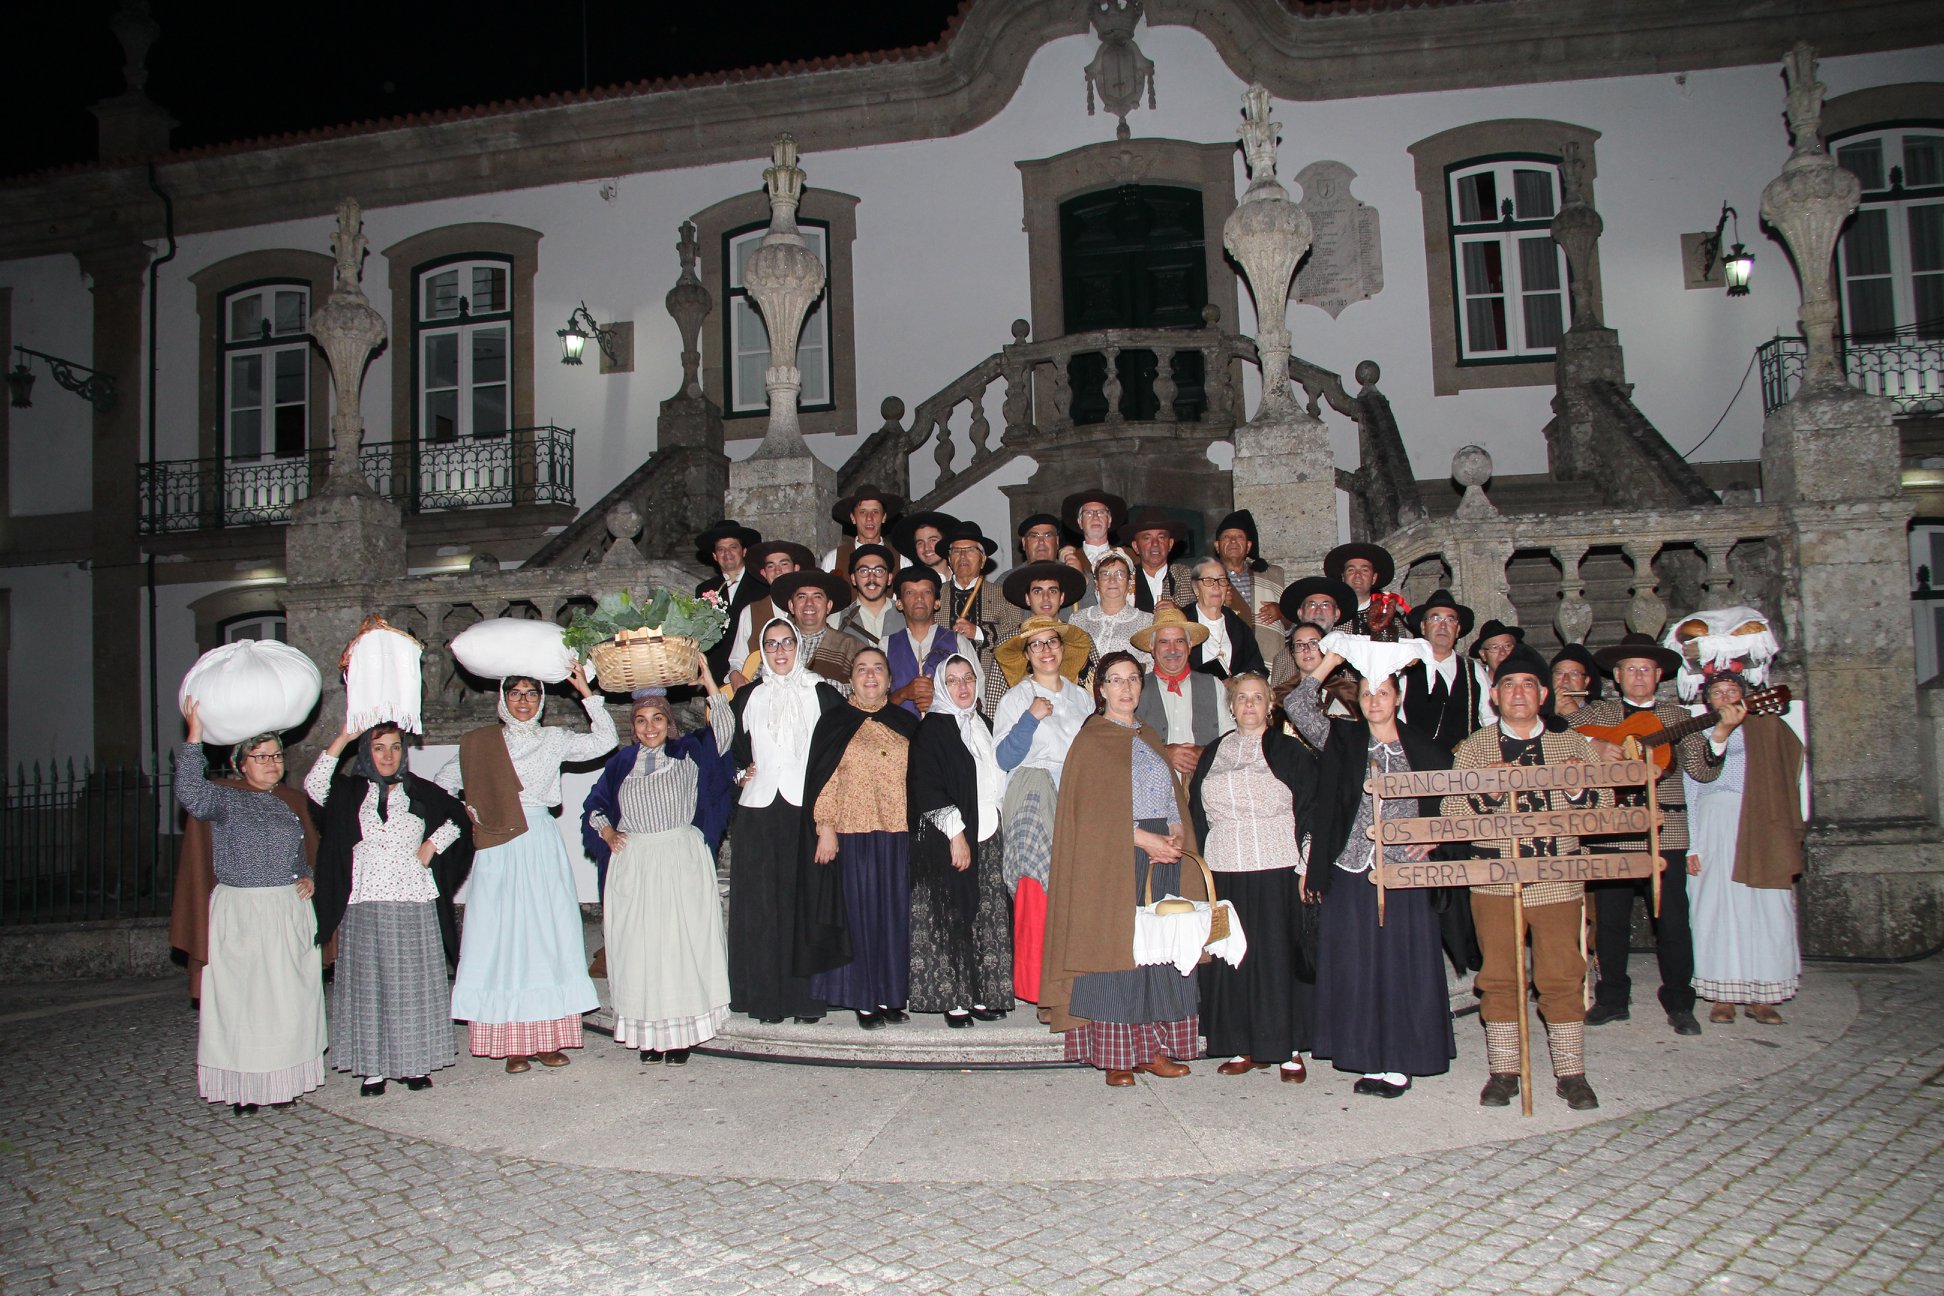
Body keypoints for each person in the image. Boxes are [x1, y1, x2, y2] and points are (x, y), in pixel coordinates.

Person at [1447, 645, 1606, 1110]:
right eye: (1509, 685)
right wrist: (1488, 795)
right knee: (1499, 974)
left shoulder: (1572, 745)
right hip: (1496, 879)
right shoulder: (1474, 748)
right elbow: (1454, 814)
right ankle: (1504, 1070)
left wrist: (1577, 789)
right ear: (1494, 695)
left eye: (1529, 685)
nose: (1519, 693)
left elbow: (1604, 810)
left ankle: (1571, 1072)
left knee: (1561, 971)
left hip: (1557, 876)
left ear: (1544, 695)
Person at [1288, 652, 1455, 1098]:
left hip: (1404, 874)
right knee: (1357, 965)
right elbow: (1298, 705)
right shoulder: (1343, 740)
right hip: (1350, 868)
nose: (1374, 700)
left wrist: (1435, 835)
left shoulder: (1425, 750)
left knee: (1402, 966)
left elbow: (1454, 806)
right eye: (1366, 693)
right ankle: (1365, 1052)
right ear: (1357, 700)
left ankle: (1401, 1060)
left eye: (1382, 692)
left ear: (1397, 697)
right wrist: (1333, 660)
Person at [1040, 651, 1206, 1087]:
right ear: (1101, 688)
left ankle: (1152, 1050)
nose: (1126, 688)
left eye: (1133, 679)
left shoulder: (1149, 735)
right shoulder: (1092, 739)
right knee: (1117, 952)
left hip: (1159, 853)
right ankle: (1117, 1055)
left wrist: (1173, 835)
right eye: (1116, 680)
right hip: (1112, 857)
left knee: (1156, 951)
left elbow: (1173, 800)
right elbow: (1089, 816)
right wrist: (1141, 837)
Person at [436, 667, 613, 1073]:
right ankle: (513, 1042)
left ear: (542, 701)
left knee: (546, 937)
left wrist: (586, 692)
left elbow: (603, 740)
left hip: (539, 843)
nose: (523, 700)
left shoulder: (553, 740)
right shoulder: (481, 744)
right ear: (503, 699)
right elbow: (443, 783)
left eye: (532, 694)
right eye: (515, 693)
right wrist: (468, 811)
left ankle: (548, 1037)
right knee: (505, 939)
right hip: (499, 846)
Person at [1569, 631, 1730, 1036]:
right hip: (1612, 829)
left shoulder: (1679, 719)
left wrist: (1721, 735)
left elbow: (1703, 771)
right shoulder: (1597, 716)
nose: (1638, 677)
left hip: (1666, 827)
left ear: (1658, 675)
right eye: (1630, 670)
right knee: (1611, 917)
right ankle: (1612, 997)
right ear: (1617, 676)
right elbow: (1558, 738)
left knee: (1673, 918)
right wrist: (1593, 746)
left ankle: (1679, 1000)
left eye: (1646, 669)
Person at [306, 720, 473, 1098]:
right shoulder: (349, 791)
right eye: (378, 747)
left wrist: (432, 845)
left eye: (395, 747)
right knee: (370, 987)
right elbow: (315, 787)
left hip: (412, 900)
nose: (388, 755)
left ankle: (413, 1063)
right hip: (364, 901)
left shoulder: (417, 790)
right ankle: (374, 1068)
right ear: (366, 751)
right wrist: (345, 737)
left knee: (413, 986)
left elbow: (460, 818)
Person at [581, 663, 736, 1065]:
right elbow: (594, 807)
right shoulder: (620, 764)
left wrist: (708, 680)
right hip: (635, 865)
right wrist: (608, 834)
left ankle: (681, 1033)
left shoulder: (689, 753)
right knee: (640, 949)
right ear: (633, 726)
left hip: (679, 858)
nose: (650, 727)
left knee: (678, 947)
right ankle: (648, 1033)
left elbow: (724, 734)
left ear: (669, 722)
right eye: (641, 720)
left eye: (657, 719)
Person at [175, 705, 326, 1113]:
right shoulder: (223, 798)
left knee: (287, 999)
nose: (272, 763)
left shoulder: (293, 800)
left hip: (285, 908)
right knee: (243, 1002)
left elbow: (304, 850)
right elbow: (189, 794)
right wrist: (194, 737)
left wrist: (307, 873)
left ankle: (282, 1082)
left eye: (276, 756)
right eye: (261, 757)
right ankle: (244, 1088)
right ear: (240, 764)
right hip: (241, 911)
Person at [1189, 673, 1316, 1084]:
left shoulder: (1289, 750)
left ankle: (1288, 1047)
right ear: (1231, 705)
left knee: (1275, 957)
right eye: (1241, 698)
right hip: (1225, 868)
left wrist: (1307, 864)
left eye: (1257, 698)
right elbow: (1197, 812)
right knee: (1232, 959)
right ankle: (1242, 1042)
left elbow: (1312, 809)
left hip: (1277, 865)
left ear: (1270, 706)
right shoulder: (1214, 752)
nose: (1248, 705)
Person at [799, 648, 922, 1028]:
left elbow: (922, 778)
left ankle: (889, 995)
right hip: (852, 832)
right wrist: (825, 826)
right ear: (850, 679)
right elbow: (824, 777)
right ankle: (863, 999)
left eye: (878, 669)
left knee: (893, 917)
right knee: (859, 917)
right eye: (862, 670)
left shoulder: (906, 722)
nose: (870, 677)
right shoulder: (835, 722)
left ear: (889, 678)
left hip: (897, 832)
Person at [727, 618, 843, 1023]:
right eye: (772, 645)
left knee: (804, 905)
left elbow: (838, 759)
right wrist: (741, 775)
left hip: (807, 814)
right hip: (759, 814)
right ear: (763, 650)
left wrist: (829, 818)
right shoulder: (748, 698)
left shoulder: (823, 694)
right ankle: (767, 999)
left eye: (787, 643)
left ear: (799, 648)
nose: (779, 652)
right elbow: (732, 753)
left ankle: (807, 999)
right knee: (762, 908)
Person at [1683, 671, 1799, 1025]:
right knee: (1716, 908)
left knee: (1763, 906)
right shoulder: (1698, 733)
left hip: (1759, 822)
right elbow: (1692, 791)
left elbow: (1789, 767)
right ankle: (1723, 994)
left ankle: (1762, 995)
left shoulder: (1765, 730)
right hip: (1713, 820)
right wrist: (1693, 845)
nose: (1725, 697)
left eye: (1732, 691)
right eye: (1717, 692)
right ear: (1708, 701)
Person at [991, 614, 1095, 1003]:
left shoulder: (1081, 697)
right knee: (1036, 883)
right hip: (1033, 789)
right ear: (1027, 654)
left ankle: (1075, 980)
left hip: (1075, 791)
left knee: (1074, 886)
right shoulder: (1016, 698)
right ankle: (1036, 985)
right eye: (1037, 644)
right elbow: (1003, 757)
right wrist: (1029, 719)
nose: (1046, 650)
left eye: (1052, 642)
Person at [907, 653, 1015, 1025]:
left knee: (987, 916)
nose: (963, 686)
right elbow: (926, 786)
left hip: (989, 831)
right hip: (950, 837)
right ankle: (954, 999)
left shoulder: (983, 723)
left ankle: (985, 994)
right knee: (950, 914)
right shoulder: (933, 728)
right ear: (941, 686)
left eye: (968, 677)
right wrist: (956, 835)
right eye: (952, 680)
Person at [1132, 606, 1234, 777]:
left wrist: (1206, 753)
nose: (1172, 650)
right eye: (1164, 642)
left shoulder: (1213, 685)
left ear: (1189, 645)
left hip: (1204, 791)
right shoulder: (1134, 689)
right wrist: (1162, 752)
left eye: (1179, 641)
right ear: (1152, 646)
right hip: (1152, 792)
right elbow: (1122, 743)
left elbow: (1231, 738)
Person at [1398, 590, 1487, 751]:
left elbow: (1490, 719)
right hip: (1418, 765)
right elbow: (1395, 722)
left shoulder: (1473, 671)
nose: (1443, 625)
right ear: (1423, 627)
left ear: (1458, 629)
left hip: (1465, 767)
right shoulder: (1405, 670)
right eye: (1436, 618)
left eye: (1450, 620)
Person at [727, 540, 817, 684]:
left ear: (796, 568)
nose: (777, 571)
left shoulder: (812, 611)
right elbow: (737, 660)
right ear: (764, 573)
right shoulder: (750, 611)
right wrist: (735, 676)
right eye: (771, 566)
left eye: (784, 564)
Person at [1212, 509, 1287, 667]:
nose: (1233, 541)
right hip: (1226, 661)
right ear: (1217, 546)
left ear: (1248, 545)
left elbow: (1294, 622)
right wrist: (1214, 604)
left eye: (1239, 536)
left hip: (1270, 659)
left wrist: (1282, 611)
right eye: (1227, 537)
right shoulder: (1206, 579)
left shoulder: (1273, 575)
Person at [884, 566, 964, 714]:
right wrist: (903, 693)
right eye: (910, 592)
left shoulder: (958, 642)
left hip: (947, 734)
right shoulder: (886, 645)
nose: (919, 598)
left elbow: (977, 702)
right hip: (898, 734)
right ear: (899, 604)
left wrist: (939, 700)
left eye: (926, 592)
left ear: (937, 602)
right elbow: (874, 704)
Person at [695, 520, 766, 682]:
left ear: (744, 551)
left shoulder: (762, 585)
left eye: (733, 547)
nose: (727, 553)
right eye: (721, 549)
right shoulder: (704, 590)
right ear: (714, 556)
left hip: (753, 672)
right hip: (716, 675)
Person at [1270, 576, 1355, 705]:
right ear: (1300, 613)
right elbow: (1275, 704)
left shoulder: (1352, 653)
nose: (1318, 610)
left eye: (1325, 605)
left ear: (1337, 614)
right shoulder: (1282, 658)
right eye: (1312, 604)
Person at [769, 568, 861, 685]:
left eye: (817, 597)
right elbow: (760, 685)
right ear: (791, 606)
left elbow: (863, 692)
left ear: (828, 606)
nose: (809, 603)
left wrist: (821, 687)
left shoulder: (850, 646)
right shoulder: (775, 644)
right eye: (802, 597)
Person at [1070, 548, 1152, 668]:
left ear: (1129, 583)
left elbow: (1152, 664)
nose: (1112, 580)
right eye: (1105, 574)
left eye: (1120, 574)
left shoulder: (1147, 621)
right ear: (1096, 583)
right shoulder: (1078, 620)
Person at [1187, 557, 1265, 679]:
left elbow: (1257, 668)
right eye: (1208, 580)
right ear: (1196, 587)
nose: (1216, 586)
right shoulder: (1182, 623)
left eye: (1221, 580)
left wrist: (1237, 682)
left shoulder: (1239, 627)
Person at [939, 520, 1004, 654]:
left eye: (970, 550)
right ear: (949, 559)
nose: (963, 556)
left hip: (988, 673)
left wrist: (978, 632)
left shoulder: (1003, 594)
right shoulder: (934, 594)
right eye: (957, 551)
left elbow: (1016, 631)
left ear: (983, 559)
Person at [1118, 507, 1195, 612]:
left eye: (1161, 537)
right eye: (1147, 538)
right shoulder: (1124, 580)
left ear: (1170, 544)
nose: (1155, 543)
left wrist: (1178, 612)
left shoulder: (1187, 576)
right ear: (1136, 546)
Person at [830, 544, 902, 649]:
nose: (871, 578)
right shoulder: (835, 621)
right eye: (863, 571)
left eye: (879, 571)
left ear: (889, 578)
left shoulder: (908, 616)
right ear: (853, 579)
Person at [822, 484, 902, 573]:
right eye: (862, 512)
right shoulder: (833, 560)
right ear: (853, 518)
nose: (869, 518)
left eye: (875, 511)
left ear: (883, 517)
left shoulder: (901, 561)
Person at [1323, 542, 1395, 635]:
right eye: (1351, 570)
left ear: (1373, 578)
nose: (1357, 575)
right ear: (1343, 577)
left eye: (1364, 570)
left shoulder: (1389, 616)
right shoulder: (1330, 613)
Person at [889, 510, 958, 587]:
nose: (926, 547)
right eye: (920, 543)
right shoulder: (909, 585)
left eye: (933, 540)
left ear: (945, 542)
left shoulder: (964, 578)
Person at [1062, 490, 1128, 570]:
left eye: (1101, 512)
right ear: (1080, 522)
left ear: (1109, 520)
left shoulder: (1127, 557)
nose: (1095, 517)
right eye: (1088, 513)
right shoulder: (1069, 561)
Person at [1545, 644, 1602, 725]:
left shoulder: (1602, 712)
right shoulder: (1536, 712)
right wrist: (1551, 713)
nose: (1565, 680)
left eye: (1574, 674)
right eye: (1559, 673)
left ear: (1586, 681)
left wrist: (1575, 716)